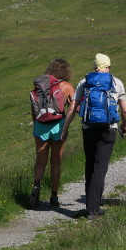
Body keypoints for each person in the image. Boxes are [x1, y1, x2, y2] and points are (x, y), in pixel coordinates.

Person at [62, 53, 126, 219]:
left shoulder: (85, 82)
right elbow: (125, 110)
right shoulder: (116, 82)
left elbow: (72, 107)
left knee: (90, 165)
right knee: (100, 168)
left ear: (95, 66)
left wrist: (65, 129)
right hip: (108, 129)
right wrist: (124, 125)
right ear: (108, 66)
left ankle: (90, 207)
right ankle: (93, 209)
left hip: (88, 128)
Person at [29, 59, 75, 208]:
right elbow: (75, 108)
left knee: (40, 161)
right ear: (66, 71)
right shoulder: (66, 87)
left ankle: (36, 187)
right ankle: (54, 196)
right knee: (56, 162)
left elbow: (34, 109)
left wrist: (37, 126)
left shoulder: (41, 87)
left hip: (40, 126)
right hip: (58, 127)